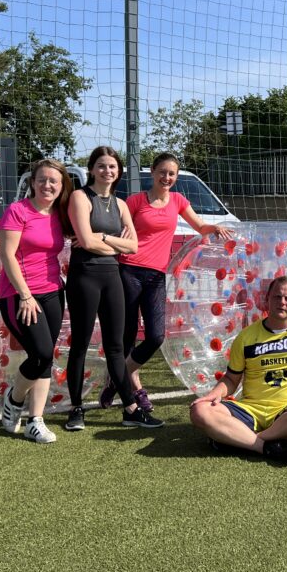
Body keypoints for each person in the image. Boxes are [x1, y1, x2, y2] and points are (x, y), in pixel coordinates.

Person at [101, 152, 233, 412]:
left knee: (155, 337)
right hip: (128, 271)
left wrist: (215, 228)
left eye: (172, 173)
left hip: (156, 276)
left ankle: (117, 378)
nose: (167, 177)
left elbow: (199, 226)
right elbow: (118, 232)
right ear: (152, 172)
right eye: (162, 172)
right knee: (127, 337)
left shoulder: (178, 200)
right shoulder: (136, 201)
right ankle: (135, 389)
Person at [64, 146, 163, 431]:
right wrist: (111, 242)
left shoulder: (120, 204)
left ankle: (130, 409)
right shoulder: (80, 197)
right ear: (92, 169)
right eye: (101, 166)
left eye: (112, 167)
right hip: (84, 276)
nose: (107, 171)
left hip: (112, 277)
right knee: (80, 344)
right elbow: (85, 242)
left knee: (116, 347)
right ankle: (76, 408)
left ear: (118, 171)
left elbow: (133, 246)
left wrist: (104, 237)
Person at [189, 276, 287, 465]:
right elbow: (231, 379)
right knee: (199, 410)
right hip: (250, 411)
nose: (282, 302)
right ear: (267, 300)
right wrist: (214, 394)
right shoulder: (246, 336)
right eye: (277, 297)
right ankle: (265, 446)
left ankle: (238, 438)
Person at [0, 159, 74, 444]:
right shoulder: (17, 211)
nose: (47, 185)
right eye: (42, 180)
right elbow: (7, 254)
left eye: (54, 181)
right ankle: (14, 399)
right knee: (40, 353)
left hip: (53, 292)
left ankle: (35, 421)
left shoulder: (61, 214)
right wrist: (25, 295)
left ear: (62, 186)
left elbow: (81, 233)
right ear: (32, 182)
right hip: (19, 294)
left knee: (46, 357)